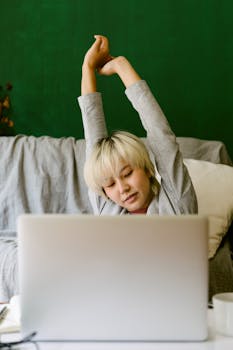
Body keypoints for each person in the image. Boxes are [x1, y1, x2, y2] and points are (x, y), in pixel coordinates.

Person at [78, 35, 197, 215]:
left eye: (127, 174)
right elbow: (93, 136)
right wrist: (87, 68)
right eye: (110, 184)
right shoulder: (107, 208)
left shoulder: (177, 203)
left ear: (147, 169)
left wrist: (121, 65)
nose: (122, 188)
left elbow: (161, 135)